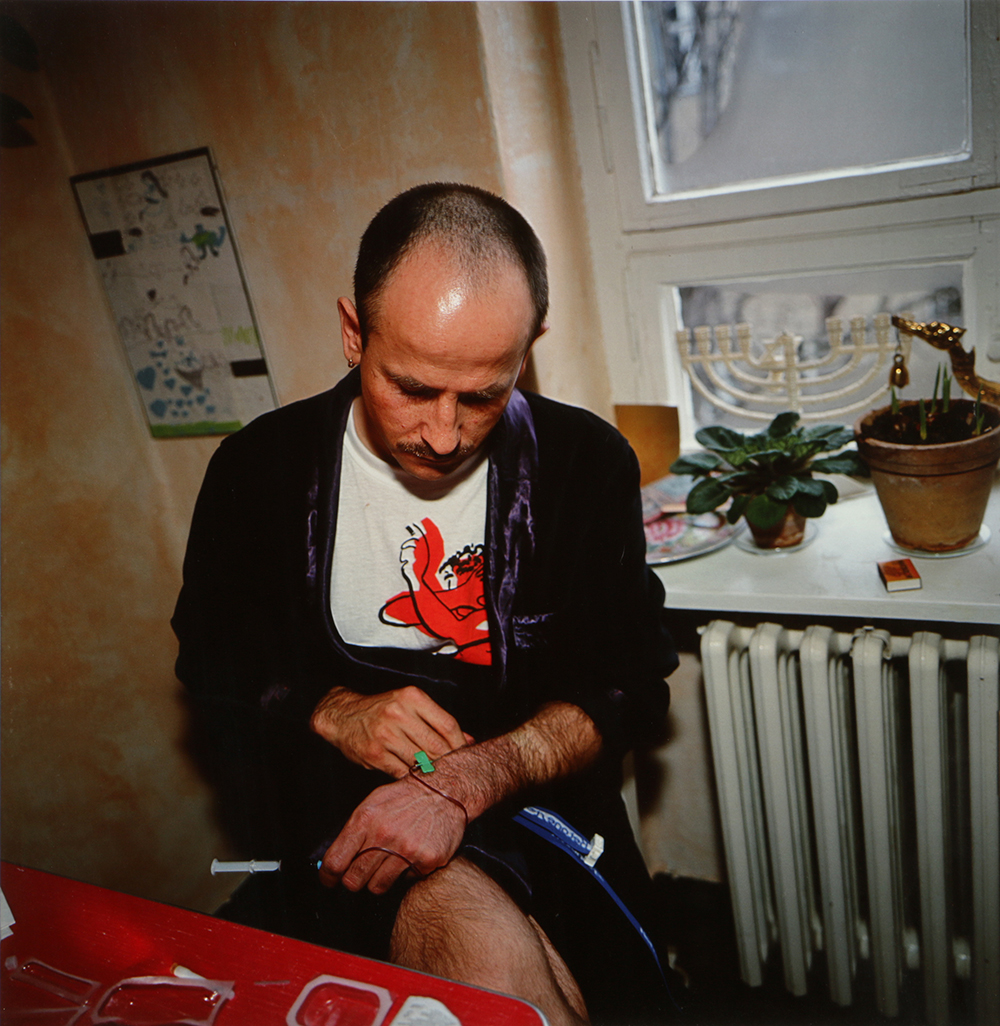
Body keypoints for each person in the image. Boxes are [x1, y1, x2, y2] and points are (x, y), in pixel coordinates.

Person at [173, 183, 679, 1025]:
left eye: (482, 395)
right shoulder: (256, 472)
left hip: (541, 808)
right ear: (351, 333)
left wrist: (465, 780)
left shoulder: (587, 466)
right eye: (409, 388)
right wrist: (331, 709)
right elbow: (211, 656)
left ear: (530, 349)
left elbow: (627, 687)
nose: (443, 436)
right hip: (344, 824)